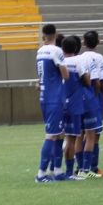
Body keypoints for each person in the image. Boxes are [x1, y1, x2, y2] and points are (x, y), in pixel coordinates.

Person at [35, 24, 69, 182]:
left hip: (45, 96)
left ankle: (57, 170)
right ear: (55, 35)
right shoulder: (56, 51)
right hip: (54, 98)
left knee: (59, 133)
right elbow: (65, 74)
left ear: (44, 35)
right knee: (51, 135)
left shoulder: (40, 51)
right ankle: (41, 174)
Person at [81, 30, 103, 177]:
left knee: (83, 133)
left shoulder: (80, 57)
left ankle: (81, 166)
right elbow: (99, 80)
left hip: (81, 98)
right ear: (98, 42)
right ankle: (93, 167)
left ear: (83, 42)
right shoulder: (98, 57)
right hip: (94, 97)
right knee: (95, 133)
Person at [60, 36, 88, 180]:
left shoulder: (60, 62)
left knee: (59, 138)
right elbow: (87, 81)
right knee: (72, 139)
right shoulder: (78, 61)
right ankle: (69, 172)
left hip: (60, 104)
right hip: (75, 105)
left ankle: (57, 169)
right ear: (76, 48)